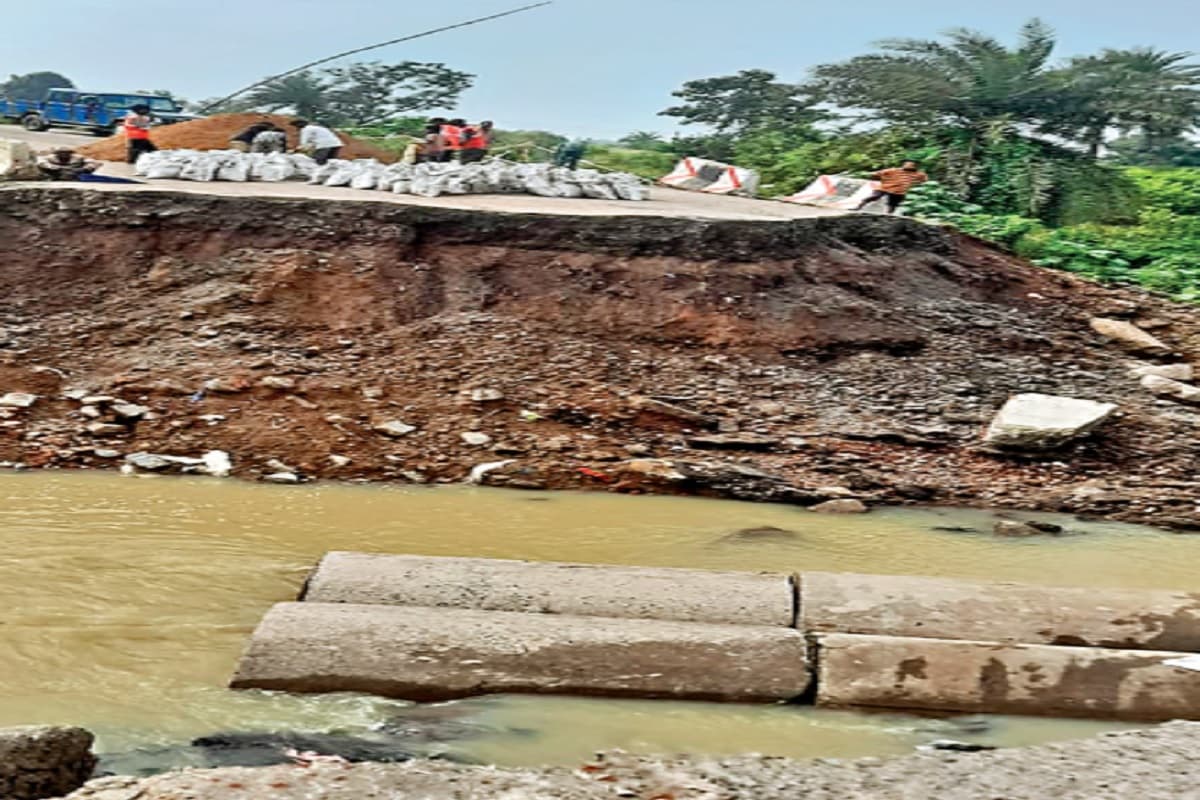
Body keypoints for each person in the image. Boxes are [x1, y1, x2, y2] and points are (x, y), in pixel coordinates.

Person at [853, 160, 929, 214]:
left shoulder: (918, 174)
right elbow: (877, 173)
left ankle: (889, 215)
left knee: (893, 204)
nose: (908, 166)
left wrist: (916, 183)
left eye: (910, 165)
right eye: (906, 164)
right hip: (885, 187)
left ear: (914, 166)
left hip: (899, 191)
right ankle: (858, 207)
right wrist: (878, 179)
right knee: (874, 196)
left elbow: (924, 180)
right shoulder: (894, 170)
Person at [37, 147, 142, 184]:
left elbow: (96, 162)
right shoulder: (50, 158)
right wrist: (54, 168)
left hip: (77, 174)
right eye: (62, 153)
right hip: (56, 174)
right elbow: (41, 162)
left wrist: (86, 168)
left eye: (67, 153)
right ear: (57, 154)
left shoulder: (78, 158)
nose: (64, 155)